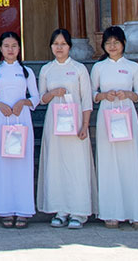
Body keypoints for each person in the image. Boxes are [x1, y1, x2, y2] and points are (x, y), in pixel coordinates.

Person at [37, 28, 96, 228]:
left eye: (63, 44)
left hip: (75, 122)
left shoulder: (79, 69)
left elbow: (87, 100)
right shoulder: (47, 69)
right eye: (56, 44)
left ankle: (78, 212)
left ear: (69, 46)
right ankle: (60, 210)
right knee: (56, 164)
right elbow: (41, 99)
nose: (59, 47)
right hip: (54, 123)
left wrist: (85, 125)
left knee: (77, 164)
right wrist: (53, 92)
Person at [91, 26, 138, 229]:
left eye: (116, 42)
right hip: (107, 115)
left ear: (123, 43)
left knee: (129, 160)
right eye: (108, 43)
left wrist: (128, 94)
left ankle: (135, 212)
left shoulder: (133, 67)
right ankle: (111, 213)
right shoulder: (99, 68)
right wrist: (104, 96)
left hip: (127, 115)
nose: (112, 46)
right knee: (108, 162)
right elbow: (92, 94)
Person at [0, 31, 40, 228]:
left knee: (22, 163)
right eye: (6, 46)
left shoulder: (26, 72)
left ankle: (23, 210)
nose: (10, 49)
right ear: (0, 48)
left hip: (22, 119)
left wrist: (23, 102)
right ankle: (5, 209)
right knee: (3, 164)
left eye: (14, 46)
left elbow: (36, 97)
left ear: (19, 48)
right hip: (2, 120)